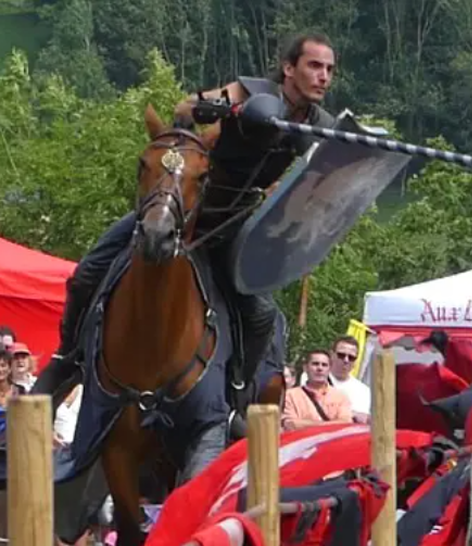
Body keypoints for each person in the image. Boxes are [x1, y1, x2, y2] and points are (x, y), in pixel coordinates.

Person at [33, 32, 340, 406]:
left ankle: (237, 393)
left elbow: (323, 178)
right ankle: (66, 361)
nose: (323, 76)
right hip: (184, 208)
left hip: (233, 223)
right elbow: (184, 109)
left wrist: (290, 187)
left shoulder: (319, 124)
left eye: (328, 69)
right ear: (289, 68)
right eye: (314, 66)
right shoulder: (250, 92)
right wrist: (216, 109)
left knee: (261, 315)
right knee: (87, 273)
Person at [282, 349, 353, 431]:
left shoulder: (341, 397)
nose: (320, 368)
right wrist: (332, 424)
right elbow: (291, 425)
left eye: (324, 365)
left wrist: (305, 424)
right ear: (305, 368)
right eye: (315, 364)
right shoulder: (290, 396)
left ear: (329, 369)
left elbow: (345, 423)